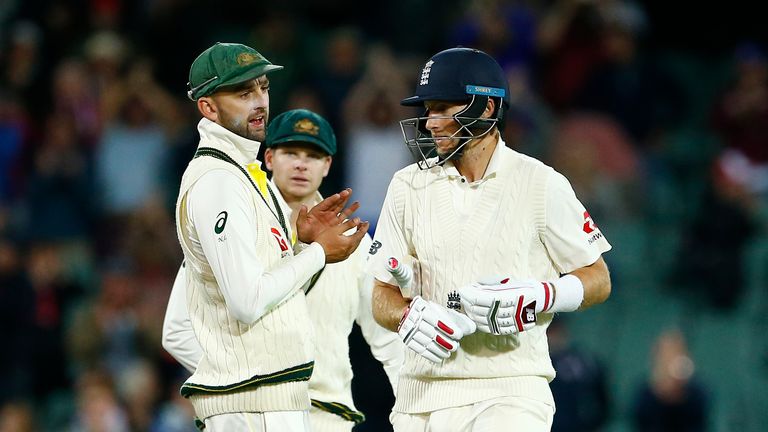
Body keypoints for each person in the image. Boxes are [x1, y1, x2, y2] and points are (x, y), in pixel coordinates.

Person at [367, 47, 613, 431]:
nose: (431, 123)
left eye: (444, 108)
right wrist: (404, 315)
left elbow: (598, 278)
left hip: (511, 387)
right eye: (428, 109)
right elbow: (381, 293)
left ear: (486, 108)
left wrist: (542, 294)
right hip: (421, 393)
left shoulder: (540, 183)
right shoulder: (406, 185)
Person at [164, 42, 368, 432]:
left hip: (270, 401)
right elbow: (247, 300)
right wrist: (231, 380)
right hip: (254, 407)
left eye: (262, 88)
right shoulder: (219, 181)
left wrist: (301, 247)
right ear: (208, 107)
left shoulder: (243, 174)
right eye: (243, 93)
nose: (260, 102)